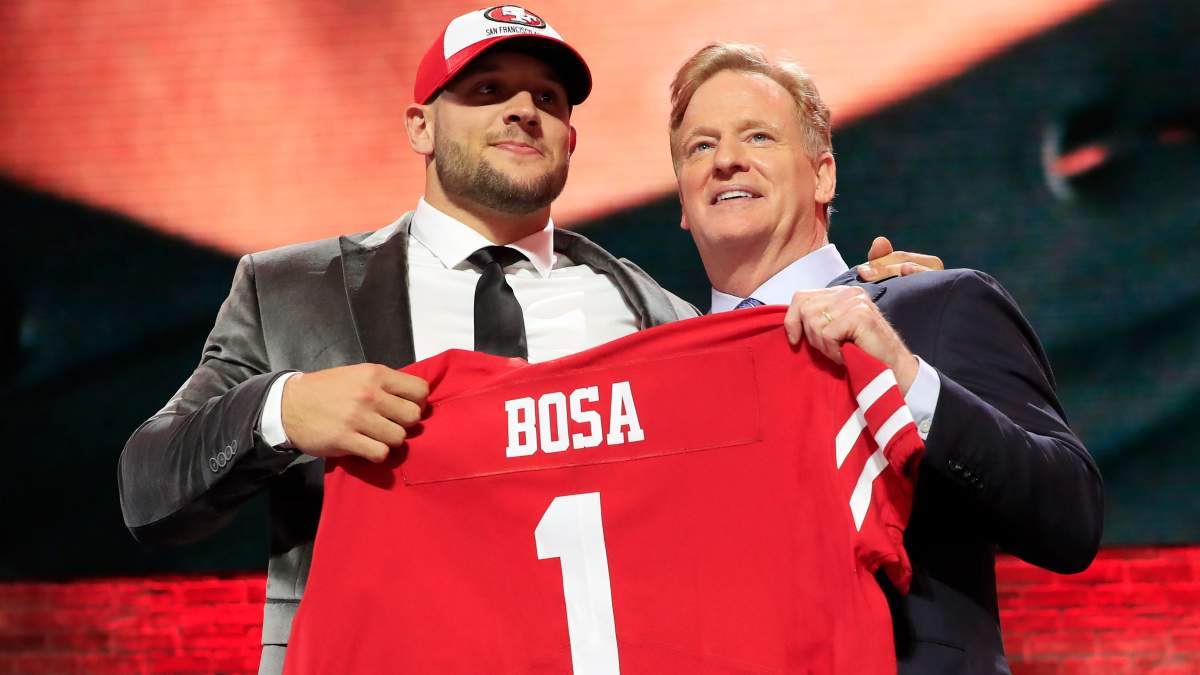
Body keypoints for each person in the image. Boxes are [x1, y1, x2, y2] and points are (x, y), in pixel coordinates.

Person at [118, 8, 934, 673]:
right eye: (487, 89)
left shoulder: (656, 316)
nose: (523, 109)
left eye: (548, 97)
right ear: (420, 126)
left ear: (571, 141)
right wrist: (281, 410)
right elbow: (148, 489)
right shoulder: (293, 291)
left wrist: (870, 295)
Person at [667, 42, 1104, 674]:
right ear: (682, 202)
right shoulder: (662, 379)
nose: (726, 159)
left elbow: (1071, 518)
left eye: (758, 137)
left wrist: (906, 377)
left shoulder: (935, 306)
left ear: (823, 175)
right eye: (700, 147)